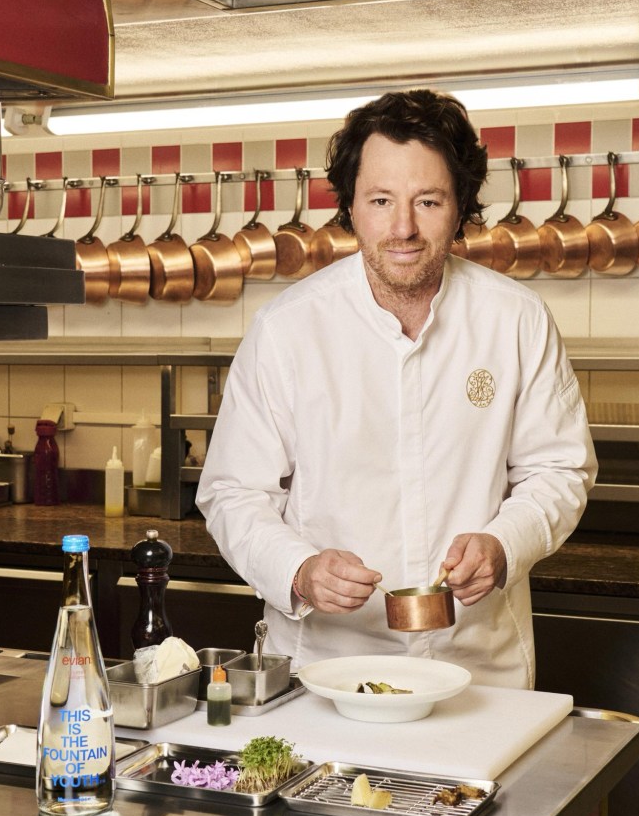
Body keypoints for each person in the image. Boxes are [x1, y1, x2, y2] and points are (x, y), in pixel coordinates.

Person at [196, 89, 597, 688]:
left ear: (460, 207)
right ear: (351, 207)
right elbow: (233, 492)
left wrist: (503, 544)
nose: (403, 227)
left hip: (480, 672)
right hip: (327, 672)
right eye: (381, 201)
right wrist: (299, 569)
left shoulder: (516, 319)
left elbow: (560, 470)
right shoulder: (286, 329)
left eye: (428, 201)